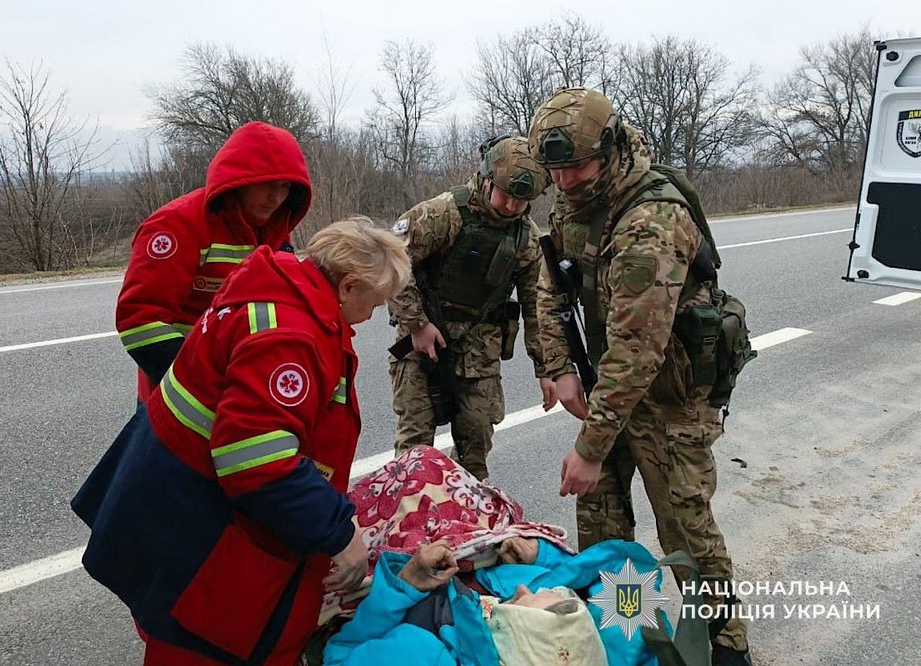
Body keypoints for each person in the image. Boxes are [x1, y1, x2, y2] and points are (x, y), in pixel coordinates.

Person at [71, 218, 412, 666]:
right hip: (203, 534)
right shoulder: (290, 337)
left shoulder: (277, 289)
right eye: (376, 302)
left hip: (176, 505)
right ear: (347, 286)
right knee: (198, 651)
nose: (373, 316)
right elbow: (258, 464)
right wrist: (337, 531)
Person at [527, 88, 751, 666]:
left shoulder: (651, 218)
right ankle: (624, 632)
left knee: (685, 528)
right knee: (602, 529)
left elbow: (638, 349)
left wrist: (590, 446)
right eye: (556, 169)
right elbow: (551, 290)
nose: (566, 180)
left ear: (609, 148)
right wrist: (557, 367)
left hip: (669, 398)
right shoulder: (577, 199)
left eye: (576, 166)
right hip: (611, 388)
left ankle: (725, 646)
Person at [387, 136, 557, 480]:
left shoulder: (525, 238)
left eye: (521, 201)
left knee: (475, 447)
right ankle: (408, 525)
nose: (510, 206)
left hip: (479, 349)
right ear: (486, 179)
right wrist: (417, 323)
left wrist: (548, 369)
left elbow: (537, 306)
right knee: (415, 452)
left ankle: (469, 524)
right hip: (421, 344)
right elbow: (392, 261)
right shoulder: (441, 214)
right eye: (505, 194)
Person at [116, 121, 311, 401]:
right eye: (267, 185)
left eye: (285, 187)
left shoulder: (275, 228)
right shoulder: (177, 225)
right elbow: (140, 320)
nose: (276, 198)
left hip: (246, 390)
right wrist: (199, 384)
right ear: (240, 180)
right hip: (177, 399)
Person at [322, 537, 670, 666]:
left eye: (522, 602)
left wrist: (407, 583)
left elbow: (339, 654)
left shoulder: (420, 654)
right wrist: (545, 557)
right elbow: (631, 574)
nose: (521, 589)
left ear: (511, 639)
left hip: (417, 565)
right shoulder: (604, 652)